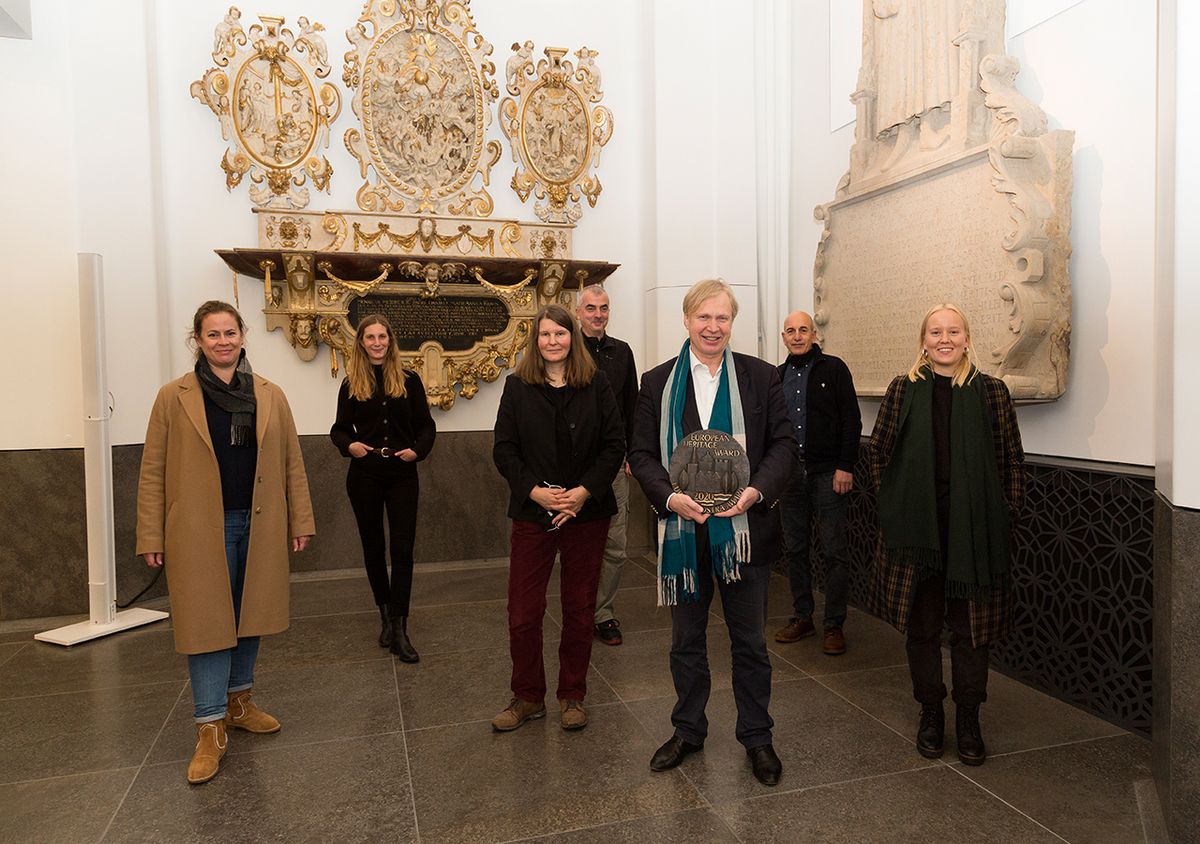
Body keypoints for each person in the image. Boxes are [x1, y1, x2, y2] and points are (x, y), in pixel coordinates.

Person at [136, 300, 315, 785]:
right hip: (198, 528)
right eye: (212, 335)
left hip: (259, 523)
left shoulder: (270, 395)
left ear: (243, 335)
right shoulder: (173, 396)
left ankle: (240, 702)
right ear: (197, 340)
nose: (222, 342)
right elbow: (153, 469)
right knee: (207, 625)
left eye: (230, 333)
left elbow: (291, 462)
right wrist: (151, 532)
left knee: (250, 614)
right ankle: (209, 727)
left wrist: (300, 520)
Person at [628, 279, 796, 787]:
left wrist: (756, 492)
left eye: (722, 318)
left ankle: (757, 737)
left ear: (732, 322)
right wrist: (668, 497)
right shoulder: (657, 383)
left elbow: (785, 447)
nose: (712, 327)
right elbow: (640, 454)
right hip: (684, 533)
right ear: (686, 320)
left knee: (750, 643)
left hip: (744, 532)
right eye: (703, 317)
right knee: (686, 642)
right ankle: (688, 729)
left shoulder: (761, 378)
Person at [867, 304, 1025, 766]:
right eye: (936, 332)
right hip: (918, 535)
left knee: (971, 631)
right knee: (922, 627)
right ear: (923, 340)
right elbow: (879, 452)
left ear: (967, 338)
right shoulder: (904, 389)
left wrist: (1004, 512)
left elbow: (1011, 459)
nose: (944, 339)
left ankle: (969, 717)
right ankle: (931, 711)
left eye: (953, 331)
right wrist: (892, 506)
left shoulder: (991, 392)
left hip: (973, 534)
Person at [491, 304, 625, 732]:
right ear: (536, 340)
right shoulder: (517, 387)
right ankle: (528, 696)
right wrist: (536, 492)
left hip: (586, 514)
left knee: (580, 607)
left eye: (560, 334)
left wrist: (582, 493)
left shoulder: (597, 383)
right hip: (533, 513)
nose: (553, 341)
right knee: (523, 611)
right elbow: (504, 450)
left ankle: (572, 695)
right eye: (545, 334)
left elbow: (613, 445)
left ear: (573, 337)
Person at [330, 314, 436, 663]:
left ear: (391, 341)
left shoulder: (409, 380)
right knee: (374, 548)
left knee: (403, 551)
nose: (376, 342)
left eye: (382, 337)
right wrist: (351, 447)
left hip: (403, 474)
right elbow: (339, 430)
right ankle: (385, 615)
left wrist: (417, 451)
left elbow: (426, 426)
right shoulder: (351, 383)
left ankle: (400, 627)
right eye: (370, 337)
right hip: (365, 475)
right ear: (361, 342)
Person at [772, 311, 862, 655]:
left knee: (834, 551)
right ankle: (802, 616)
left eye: (803, 330)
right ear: (784, 337)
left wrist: (845, 466)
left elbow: (851, 420)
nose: (797, 336)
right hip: (791, 475)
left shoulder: (834, 369)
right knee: (795, 548)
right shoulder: (777, 376)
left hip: (829, 474)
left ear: (813, 334)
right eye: (791, 331)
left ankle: (834, 624)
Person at [575, 284, 639, 646]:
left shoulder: (623, 353)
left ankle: (604, 614)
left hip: (614, 464)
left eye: (604, 308)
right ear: (579, 312)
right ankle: (579, 611)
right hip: (576, 469)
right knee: (581, 545)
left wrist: (634, 453)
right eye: (591, 308)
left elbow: (632, 405)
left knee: (615, 544)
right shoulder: (567, 348)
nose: (598, 314)